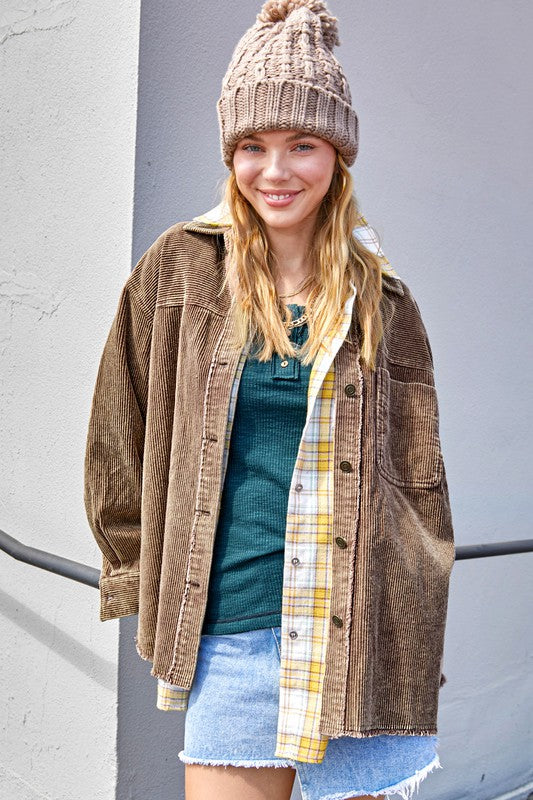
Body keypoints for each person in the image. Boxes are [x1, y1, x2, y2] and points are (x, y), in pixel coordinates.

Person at [83, 2, 455, 799]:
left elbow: (419, 487)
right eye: (252, 145)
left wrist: (413, 620)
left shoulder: (383, 302)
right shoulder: (180, 270)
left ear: (337, 157)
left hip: (355, 643)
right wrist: (136, 573)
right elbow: (120, 427)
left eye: (301, 145)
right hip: (232, 634)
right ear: (230, 153)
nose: (275, 170)